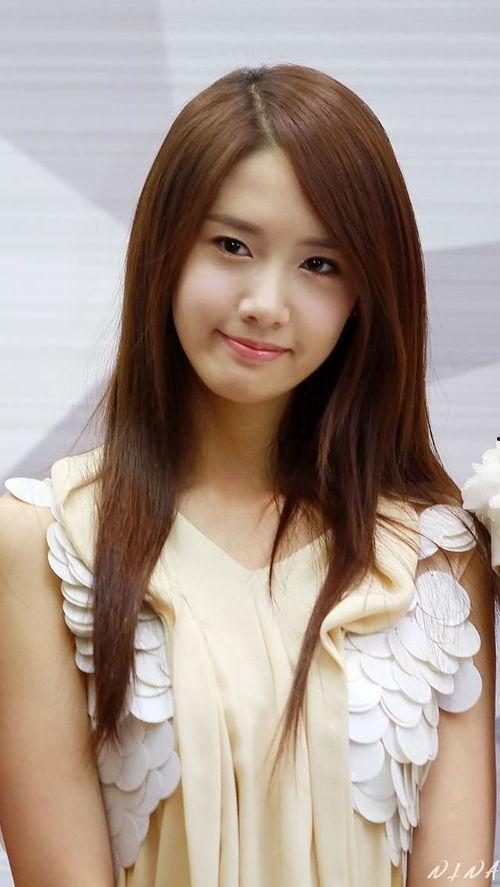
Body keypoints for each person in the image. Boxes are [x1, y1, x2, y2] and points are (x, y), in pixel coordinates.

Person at [0, 63, 498, 887]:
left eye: (321, 264)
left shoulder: (437, 558)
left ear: (367, 295)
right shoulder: (47, 545)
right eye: (232, 246)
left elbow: (455, 873)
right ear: (165, 249)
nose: (267, 301)